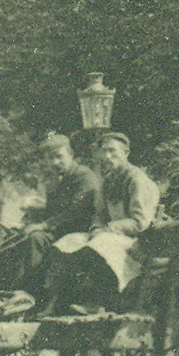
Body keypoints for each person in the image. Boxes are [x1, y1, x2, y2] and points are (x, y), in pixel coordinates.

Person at [43, 130, 160, 313]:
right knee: (68, 241)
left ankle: (97, 302)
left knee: (101, 242)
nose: (107, 156)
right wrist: (97, 227)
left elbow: (140, 222)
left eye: (113, 151)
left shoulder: (136, 180)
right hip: (111, 236)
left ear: (126, 153)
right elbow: (99, 214)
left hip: (137, 242)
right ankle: (59, 300)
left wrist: (110, 228)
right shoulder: (107, 181)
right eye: (104, 152)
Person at [0, 133, 98, 301]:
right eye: (50, 158)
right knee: (13, 238)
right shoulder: (54, 180)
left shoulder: (84, 177)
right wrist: (26, 223)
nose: (55, 163)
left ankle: (29, 296)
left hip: (77, 230)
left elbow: (76, 212)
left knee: (36, 239)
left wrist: (43, 226)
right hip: (56, 229)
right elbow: (50, 209)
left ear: (71, 155)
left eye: (59, 157)